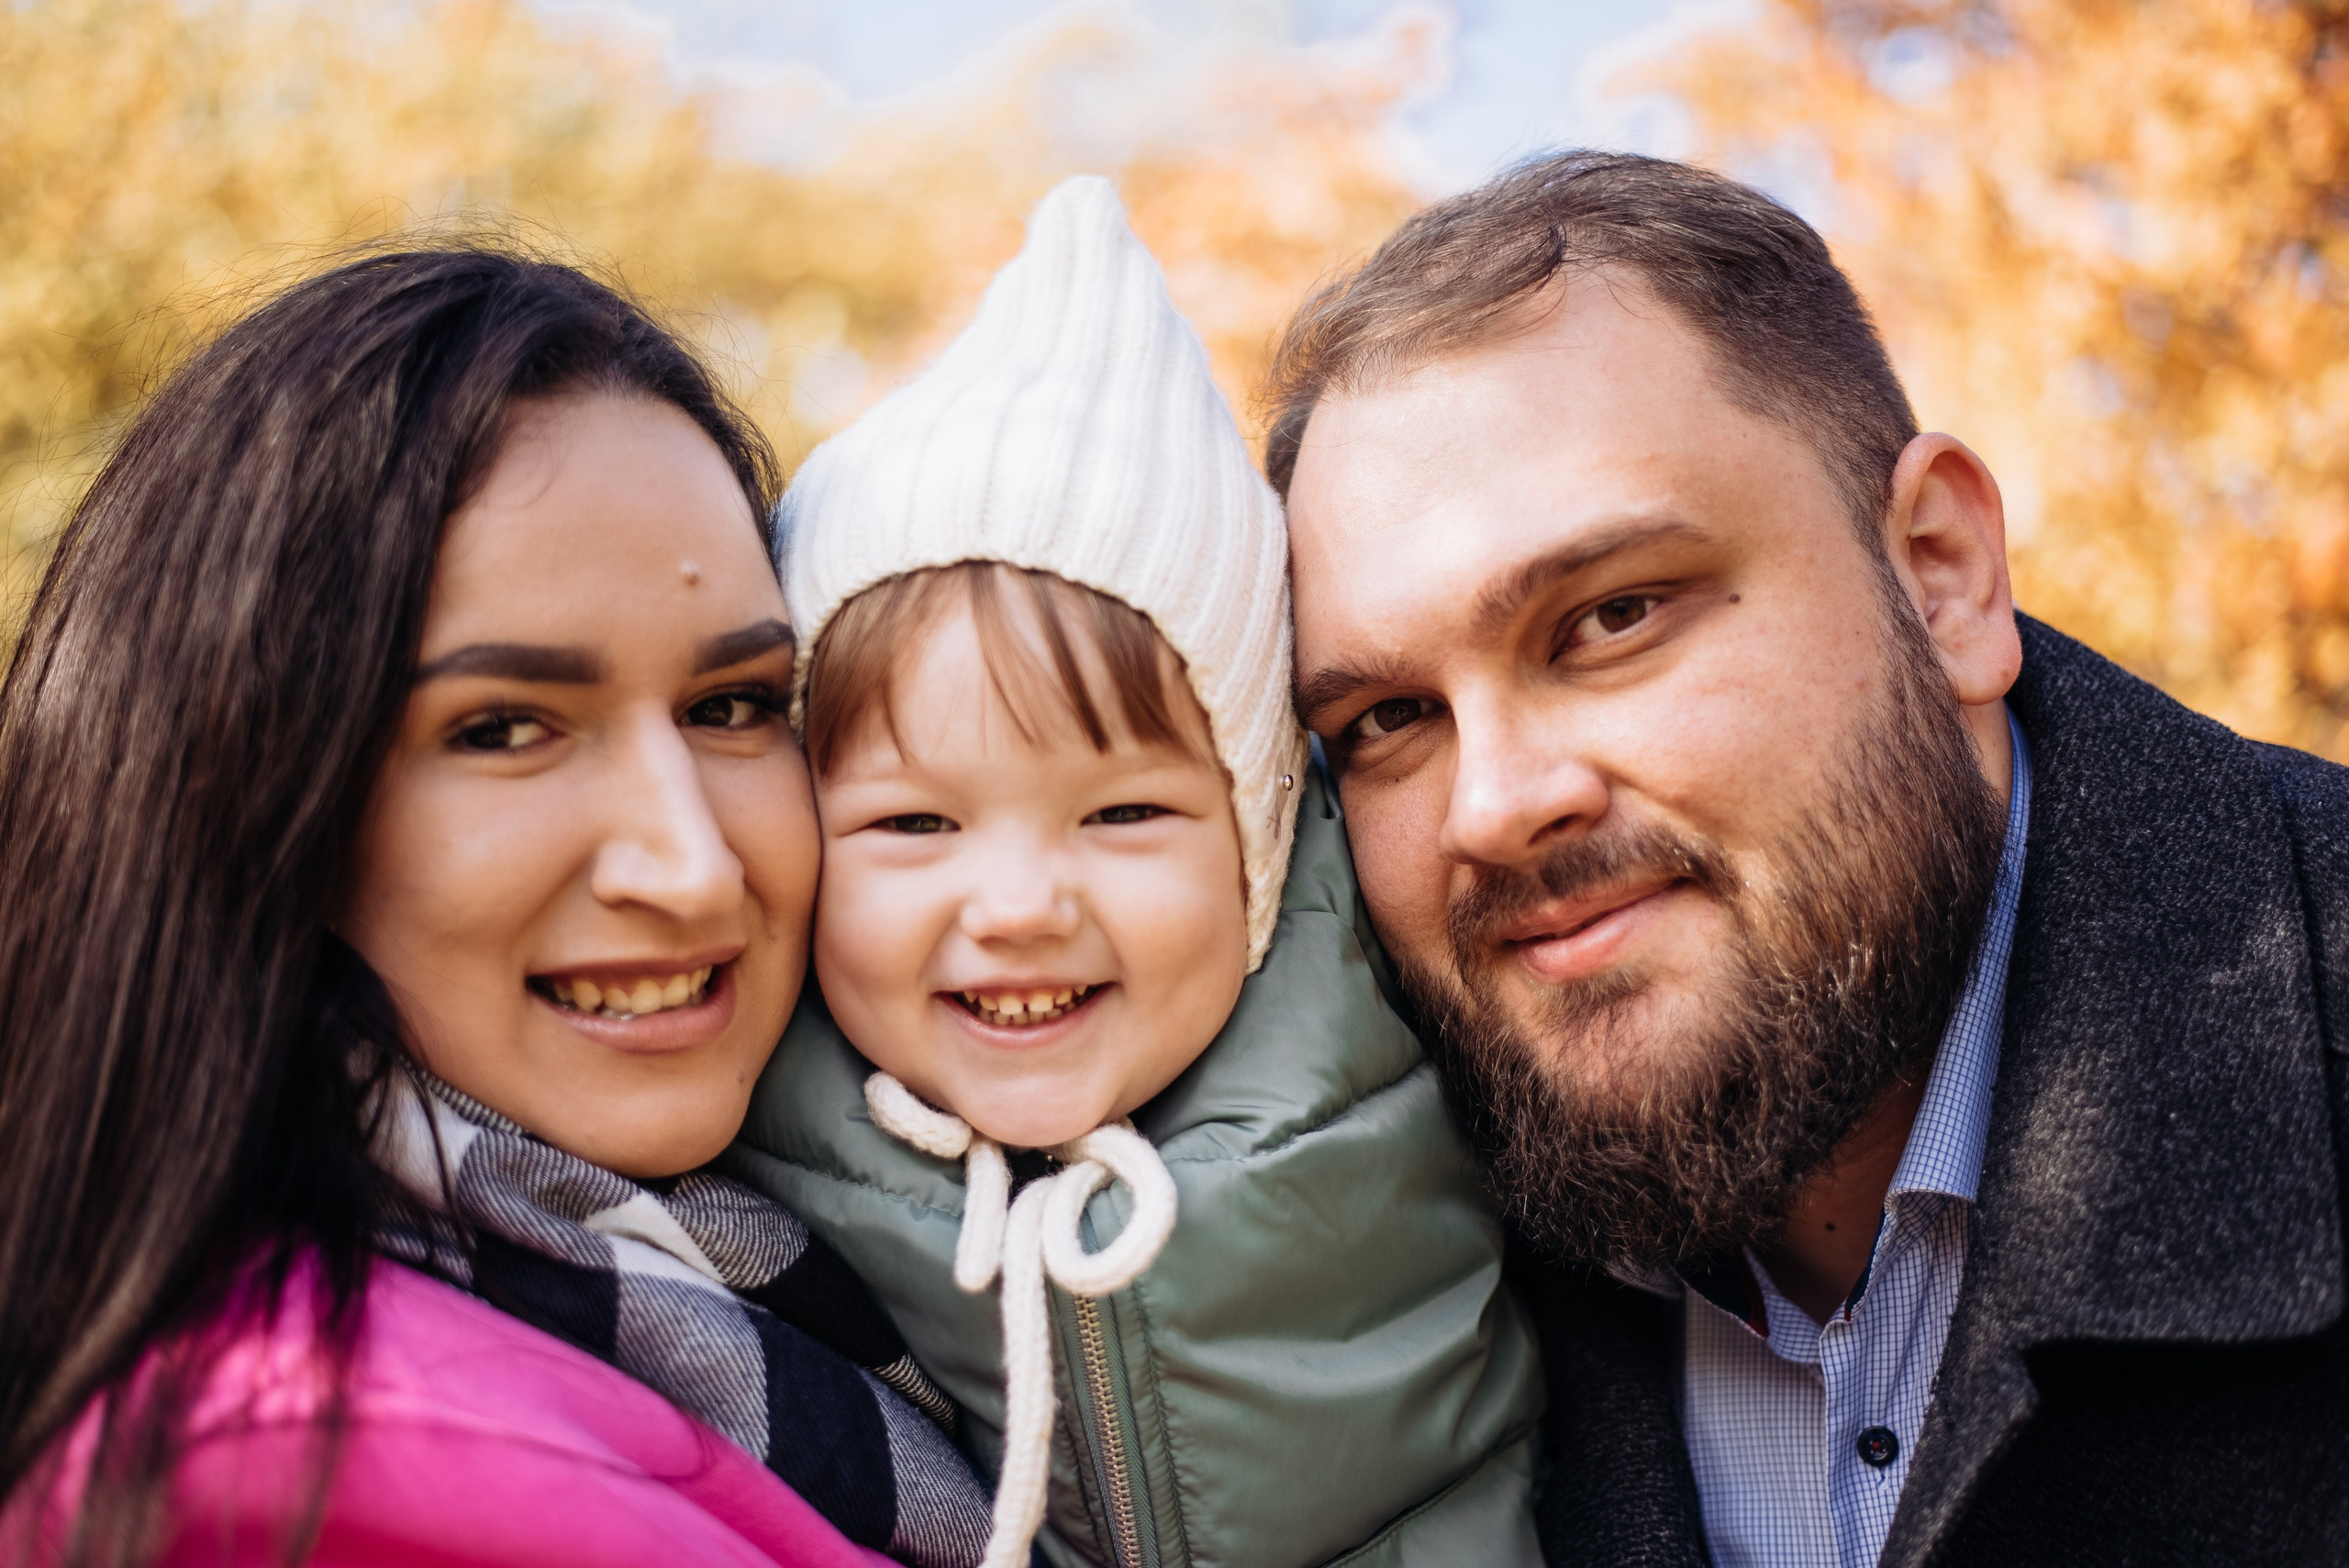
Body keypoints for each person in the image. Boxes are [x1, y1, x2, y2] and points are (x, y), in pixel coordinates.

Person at [1262, 149, 2349, 1566]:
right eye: (1389, 717)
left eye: (1612, 616)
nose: (1491, 806)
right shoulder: (1333, 1275)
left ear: (1942, 572)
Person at [0, 248, 991, 1567]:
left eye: (736, 705)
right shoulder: (308, 1479)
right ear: (245, 781)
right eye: (506, 726)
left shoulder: (803, 1256)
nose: (692, 866)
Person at [723, 176, 1545, 1568]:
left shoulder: (1441, 1040)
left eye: (1119, 815)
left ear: (1264, 839)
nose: (1021, 905)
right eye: (915, 827)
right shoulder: (728, 1145)